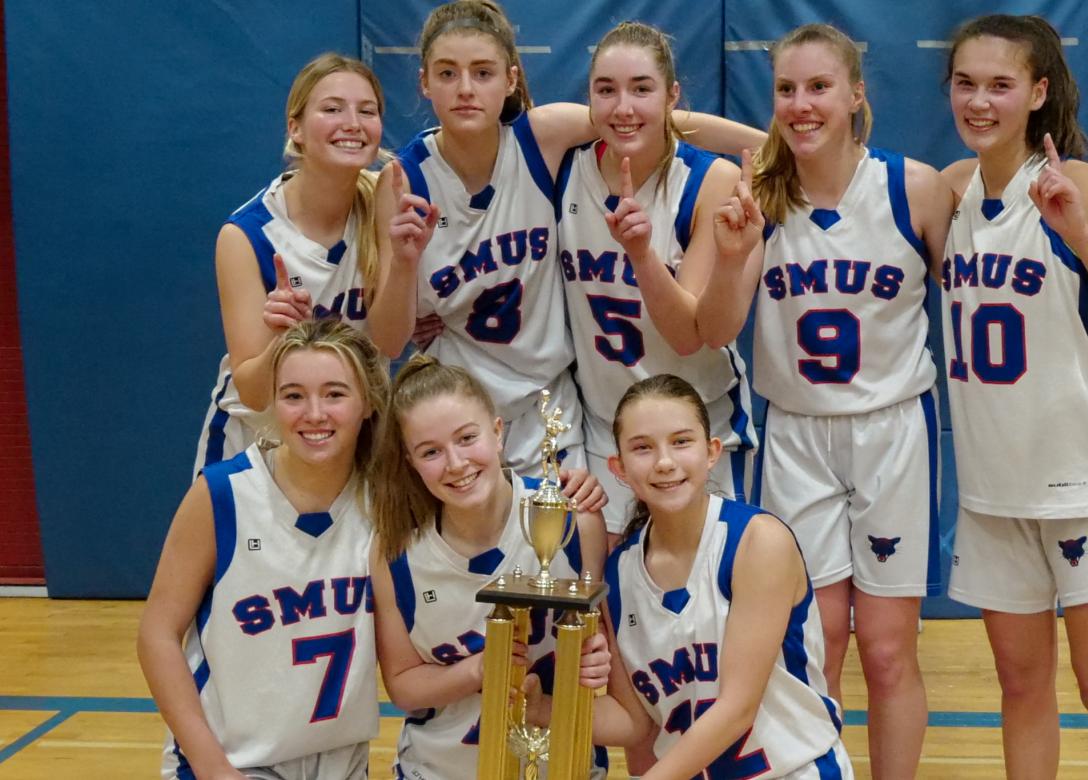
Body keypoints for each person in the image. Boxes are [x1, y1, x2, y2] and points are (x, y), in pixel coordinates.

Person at [698, 23, 952, 777]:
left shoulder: (914, 188)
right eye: (786, 90)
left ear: (857, 94)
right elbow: (714, 329)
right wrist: (736, 254)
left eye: (818, 87)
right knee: (818, 639)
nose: (801, 104)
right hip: (796, 434)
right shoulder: (757, 198)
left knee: (884, 644)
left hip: (892, 431)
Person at [371, 1, 763, 482]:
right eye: (448, 73)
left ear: (511, 79)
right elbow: (388, 341)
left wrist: (770, 146)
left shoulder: (543, 140)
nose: (466, 89)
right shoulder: (402, 184)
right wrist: (405, 269)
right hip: (462, 407)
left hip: (555, 407)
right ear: (424, 83)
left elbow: (641, 120)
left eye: (482, 72)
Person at [940, 14, 1088, 778]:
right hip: (993, 491)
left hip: (1082, 485)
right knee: (1022, 684)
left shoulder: (1078, 185)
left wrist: (1083, 236)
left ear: (1037, 92)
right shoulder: (950, 190)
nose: (979, 101)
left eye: (1000, 85)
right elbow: (823, 162)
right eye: (965, 83)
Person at [533, 374, 852, 779]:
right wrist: (540, 707)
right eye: (643, 448)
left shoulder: (756, 542)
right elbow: (633, 723)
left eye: (681, 442)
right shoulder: (620, 573)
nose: (665, 461)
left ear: (712, 451)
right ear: (619, 468)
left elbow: (737, 709)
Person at [139, 318, 387, 779]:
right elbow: (156, 635)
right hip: (230, 763)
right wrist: (212, 768)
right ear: (272, 402)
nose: (314, 413)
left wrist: (563, 489)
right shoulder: (222, 494)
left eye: (334, 394)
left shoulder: (387, 501)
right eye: (293, 395)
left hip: (341, 765)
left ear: (368, 401)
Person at [556, 21, 757, 540]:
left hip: (697, 427)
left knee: (705, 592)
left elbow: (690, 334)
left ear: (672, 96)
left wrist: (642, 255)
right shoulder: (561, 167)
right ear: (589, 99)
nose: (623, 107)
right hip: (606, 430)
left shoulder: (711, 181)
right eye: (607, 90)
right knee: (617, 600)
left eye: (642, 89)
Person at [367, 354, 611, 779]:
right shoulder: (395, 549)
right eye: (431, 452)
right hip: (440, 769)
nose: (456, 464)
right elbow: (404, 686)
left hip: (561, 766)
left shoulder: (573, 520)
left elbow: (602, 644)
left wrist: (598, 658)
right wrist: (479, 670)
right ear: (409, 460)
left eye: (466, 438)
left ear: (498, 432)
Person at [193, 53, 388, 479]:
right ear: (295, 128)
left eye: (367, 111)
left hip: (345, 439)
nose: (352, 122)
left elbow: (392, 342)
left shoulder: (387, 207)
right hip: (256, 443)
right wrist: (282, 341)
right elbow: (253, 389)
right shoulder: (248, 236)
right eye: (332, 109)